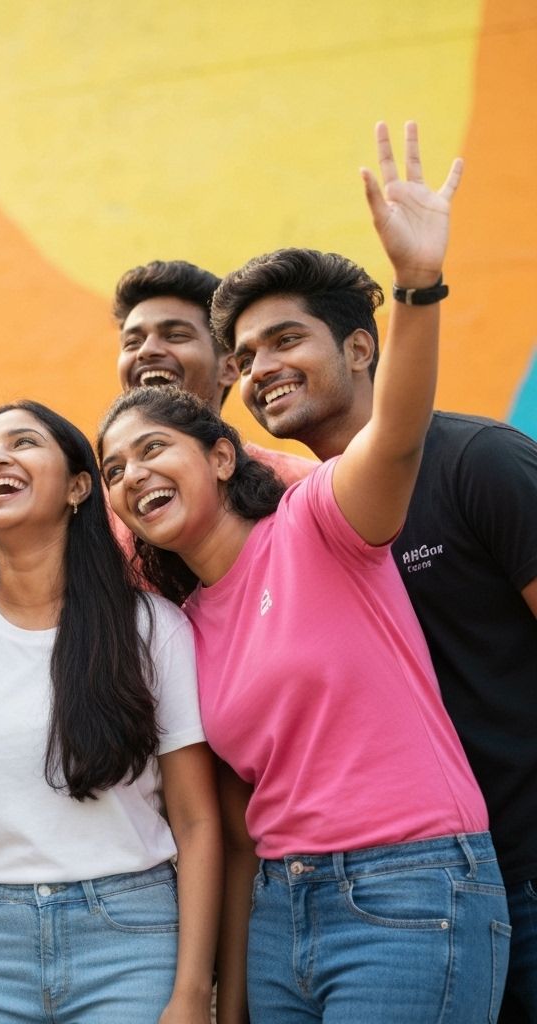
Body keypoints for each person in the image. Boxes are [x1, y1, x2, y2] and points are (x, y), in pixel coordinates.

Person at [99, 123, 511, 1022]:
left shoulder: (321, 520)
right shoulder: (183, 621)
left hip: (408, 887)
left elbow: (397, 433)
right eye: (114, 470)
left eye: (154, 449)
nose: (132, 477)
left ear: (219, 455)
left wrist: (417, 285)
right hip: (285, 914)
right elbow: (240, 820)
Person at [212, 213, 537, 1023]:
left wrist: (418, 281)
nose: (262, 370)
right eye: (246, 358)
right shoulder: (295, 526)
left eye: (287, 341)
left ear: (361, 347)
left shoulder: (478, 462)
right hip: (417, 892)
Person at [0, 400, 222, 1024]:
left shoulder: (153, 628)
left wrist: (191, 992)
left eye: (22, 443)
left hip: (133, 941)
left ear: (77, 488)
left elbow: (198, 822)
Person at [113, 259, 315, 486]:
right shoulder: (89, 500)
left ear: (229, 368)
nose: (146, 350)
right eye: (132, 342)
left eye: (175, 335)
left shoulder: (298, 485)